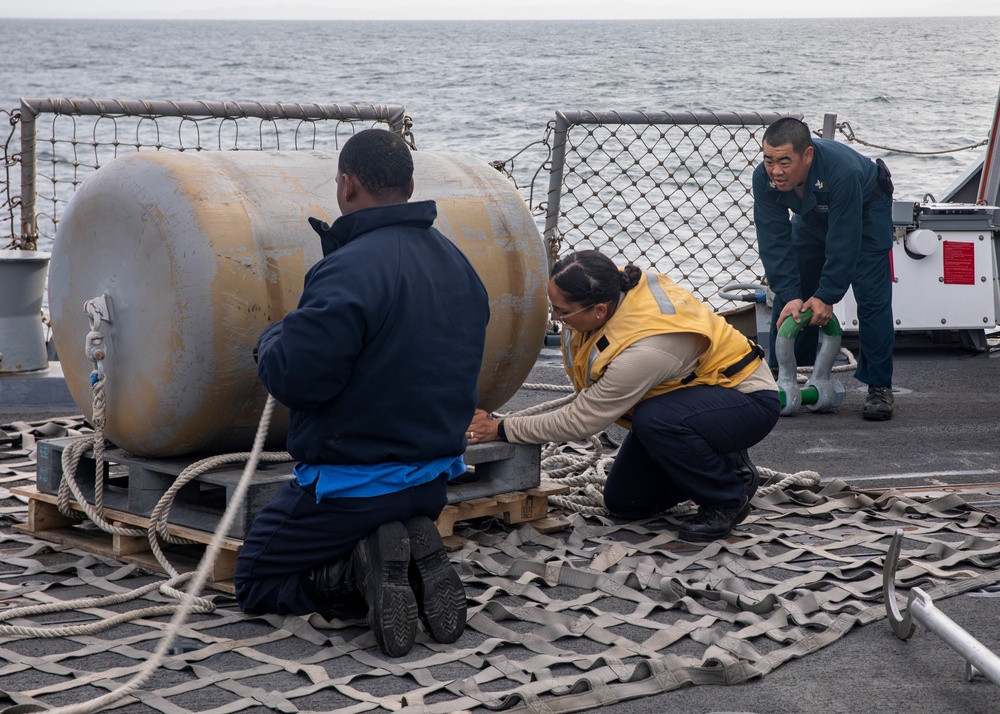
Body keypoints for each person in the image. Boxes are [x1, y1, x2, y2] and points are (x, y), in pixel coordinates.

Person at [234, 129, 490, 658]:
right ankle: (411, 559)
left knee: (256, 582)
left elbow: (298, 380)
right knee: (385, 512)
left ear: (347, 186)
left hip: (353, 487)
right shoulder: (457, 263)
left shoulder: (348, 268)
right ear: (412, 184)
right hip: (434, 479)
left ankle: (356, 571)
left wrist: (271, 337)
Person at [468, 250, 780, 543]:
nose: (555, 317)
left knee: (655, 420)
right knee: (627, 503)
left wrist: (501, 429)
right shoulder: (607, 287)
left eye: (562, 312)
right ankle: (724, 462)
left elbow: (582, 420)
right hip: (690, 400)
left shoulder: (644, 350)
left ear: (599, 310)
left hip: (745, 400)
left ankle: (725, 498)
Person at [752, 117, 895, 420]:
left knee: (871, 298)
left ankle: (879, 385)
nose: (775, 171)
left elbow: (844, 239)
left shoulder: (842, 172)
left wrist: (827, 295)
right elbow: (773, 240)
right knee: (794, 295)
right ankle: (790, 373)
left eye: (784, 162)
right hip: (813, 212)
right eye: (769, 160)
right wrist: (790, 294)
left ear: (807, 155)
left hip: (866, 209)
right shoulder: (762, 178)